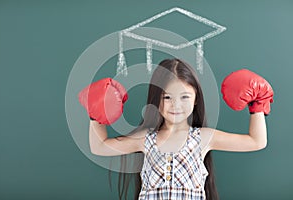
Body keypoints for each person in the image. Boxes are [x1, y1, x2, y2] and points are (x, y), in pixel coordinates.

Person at [78, 58, 273, 200]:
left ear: (196, 99)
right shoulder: (145, 139)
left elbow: (256, 141)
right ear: (156, 99)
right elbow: (100, 147)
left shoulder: (203, 138)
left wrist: (258, 105)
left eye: (185, 97)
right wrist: (96, 114)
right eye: (167, 97)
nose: (176, 105)